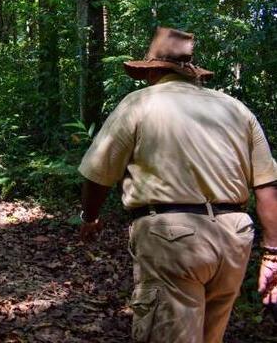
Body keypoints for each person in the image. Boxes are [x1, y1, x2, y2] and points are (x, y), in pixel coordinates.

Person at [77, 26, 277, 343]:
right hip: (235, 237)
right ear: (191, 71)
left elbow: (98, 172)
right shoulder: (235, 108)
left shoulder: (139, 103)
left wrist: (90, 218)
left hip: (172, 238)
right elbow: (266, 184)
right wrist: (272, 254)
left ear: (153, 69)